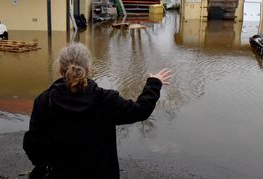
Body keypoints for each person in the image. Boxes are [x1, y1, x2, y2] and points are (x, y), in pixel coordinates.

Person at [23, 42, 171, 179]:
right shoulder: (106, 99)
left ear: (60, 69)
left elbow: (32, 144)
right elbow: (141, 111)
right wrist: (154, 83)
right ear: (88, 69)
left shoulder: (44, 101)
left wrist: (44, 164)